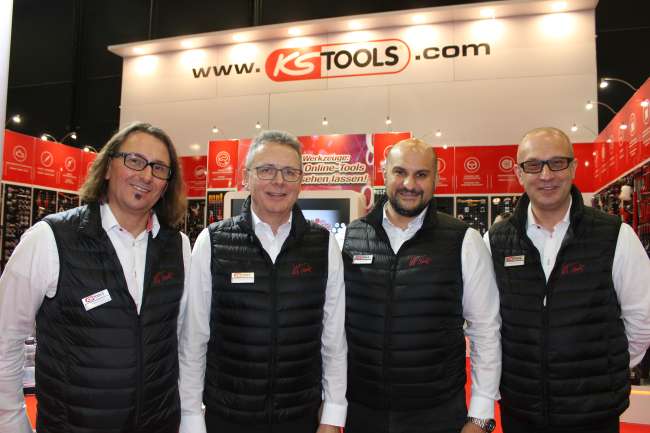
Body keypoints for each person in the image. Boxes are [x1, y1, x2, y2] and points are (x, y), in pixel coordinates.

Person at [0, 122, 190, 433]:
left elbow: (180, 339)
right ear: (107, 167)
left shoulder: (178, 246)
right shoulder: (49, 238)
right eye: (134, 160)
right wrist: (10, 420)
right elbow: (5, 337)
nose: (146, 175)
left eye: (159, 168)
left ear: (167, 183)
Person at [179, 130, 347, 433]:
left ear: (301, 181)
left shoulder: (323, 245)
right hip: (227, 418)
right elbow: (194, 339)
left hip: (300, 418)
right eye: (266, 170)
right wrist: (191, 418)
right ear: (246, 177)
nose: (279, 181)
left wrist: (332, 416)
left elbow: (333, 339)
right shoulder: (212, 242)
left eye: (290, 172)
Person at [485, 127, 650, 433]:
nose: (546, 175)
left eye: (557, 163)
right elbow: (486, 322)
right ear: (519, 174)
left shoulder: (615, 235)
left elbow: (642, 319)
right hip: (522, 411)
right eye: (534, 165)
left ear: (573, 168)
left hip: (594, 413)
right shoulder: (495, 241)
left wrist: (605, 367)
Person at [342, 138, 501, 433]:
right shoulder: (348, 239)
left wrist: (481, 415)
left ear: (436, 179)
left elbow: (485, 329)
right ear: (384, 174)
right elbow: (332, 330)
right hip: (363, 412)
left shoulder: (464, 241)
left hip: (437, 413)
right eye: (400, 172)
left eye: (421, 174)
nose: (409, 184)